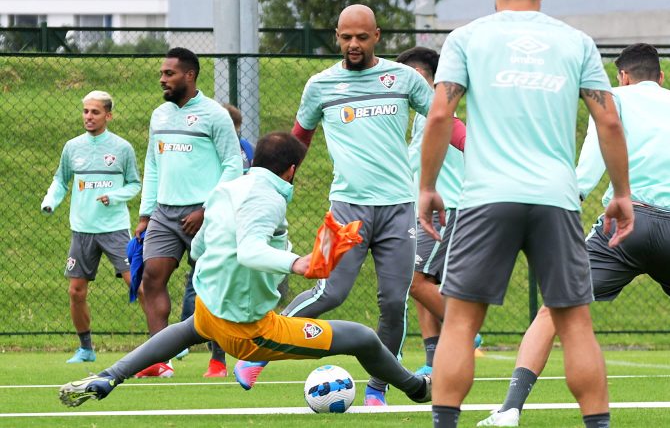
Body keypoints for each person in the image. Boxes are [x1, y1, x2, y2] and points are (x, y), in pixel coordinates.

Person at [477, 43, 670, 427]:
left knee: (555, 307)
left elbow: (584, 176)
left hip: (625, 229)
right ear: (661, 78)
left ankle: (509, 409)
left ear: (623, 77)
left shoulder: (613, 99)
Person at [57, 133, 432, 409]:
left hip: (209, 307)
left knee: (185, 331)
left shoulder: (230, 188)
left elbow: (201, 247)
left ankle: (111, 375)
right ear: (291, 170)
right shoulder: (267, 197)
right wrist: (297, 263)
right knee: (363, 338)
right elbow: (251, 250)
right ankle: (417, 388)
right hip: (249, 332)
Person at [418, 0, 634, 427]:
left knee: (458, 323)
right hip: (556, 198)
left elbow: (440, 115)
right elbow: (609, 120)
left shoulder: (467, 38)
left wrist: (426, 187)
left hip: (485, 198)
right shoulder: (576, 42)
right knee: (575, 326)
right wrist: (622, 194)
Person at [249, 4, 434, 407]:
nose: (353, 44)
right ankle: (259, 350)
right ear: (337, 36)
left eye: (361, 37)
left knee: (393, 301)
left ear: (377, 36)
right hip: (346, 209)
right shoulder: (320, 85)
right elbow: (299, 141)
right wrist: (275, 185)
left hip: (398, 208)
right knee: (330, 292)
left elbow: (442, 121)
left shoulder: (403, 79)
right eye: (346, 37)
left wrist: (474, 147)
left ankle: (378, 389)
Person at [134, 47, 243, 378]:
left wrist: (206, 209)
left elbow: (233, 165)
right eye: (162, 74)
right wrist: (145, 213)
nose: (163, 80)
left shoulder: (214, 114)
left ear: (190, 75)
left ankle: (218, 361)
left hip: (205, 215)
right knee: (151, 279)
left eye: (169, 74)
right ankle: (159, 360)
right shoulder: (159, 115)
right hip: (164, 214)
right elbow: (153, 164)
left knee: (211, 286)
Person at [396, 46, 481, 375]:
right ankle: (434, 364)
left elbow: (461, 136)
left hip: (448, 209)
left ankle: (466, 331)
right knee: (423, 282)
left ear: (418, 77)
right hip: (427, 210)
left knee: (414, 281)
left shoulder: (438, 108)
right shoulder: (420, 115)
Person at [41, 90, 142, 363]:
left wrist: (115, 196)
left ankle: (165, 341)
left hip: (114, 229)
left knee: (138, 284)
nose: (89, 116)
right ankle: (86, 349)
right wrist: (51, 201)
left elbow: (135, 183)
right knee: (76, 291)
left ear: (108, 115)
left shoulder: (122, 148)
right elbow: (61, 181)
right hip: (82, 229)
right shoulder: (72, 147)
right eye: (86, 111)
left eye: (95, 112)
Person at [175, 103, 254, 376]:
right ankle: (186, 339)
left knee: (220, 285)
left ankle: (222, 355)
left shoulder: (244, 150)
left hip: (235, 221)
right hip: (212, 218)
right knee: (197, 279)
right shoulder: (208, 149)